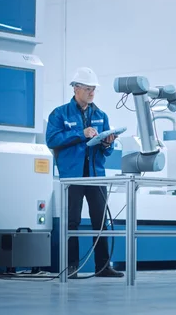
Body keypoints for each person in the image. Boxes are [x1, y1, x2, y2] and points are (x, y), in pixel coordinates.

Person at [46, 67, 124, 278]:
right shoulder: (59, 114)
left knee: (101, 222)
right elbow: (52, 140)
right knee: (72, 222)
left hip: (95, 175)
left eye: (94, 89)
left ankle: (103, 266)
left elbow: (106, 152)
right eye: (88, 89)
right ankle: (71, 267)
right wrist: (80, 134)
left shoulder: (101, 115)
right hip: (72, 176)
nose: (91, 93)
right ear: (76, 88)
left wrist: (108, 144)